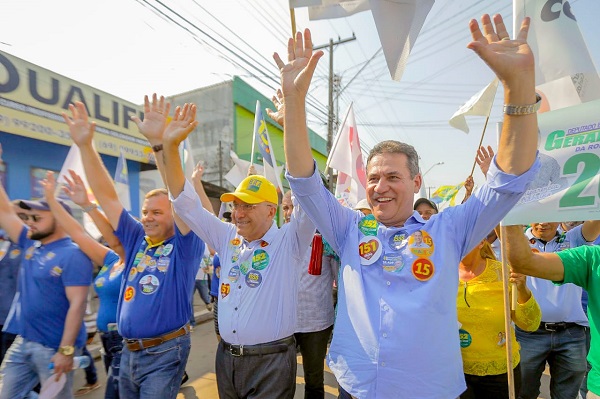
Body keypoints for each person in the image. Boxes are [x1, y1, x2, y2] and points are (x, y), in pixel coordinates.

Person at [275, 13, 541, 398]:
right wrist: (295, 102)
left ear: (416, 183)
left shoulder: (448, 230)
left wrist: (517, 88)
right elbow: (304, 183)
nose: (380, 187)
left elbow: (507, 182)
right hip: (357, 387)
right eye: (374, 178)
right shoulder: (349, 227)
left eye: (393, 177)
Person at [160, 102, 315, 398]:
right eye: (235, 205)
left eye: (248, 206)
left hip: (271, 360)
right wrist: (169, 147)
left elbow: (307, 187)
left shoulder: (290, 241)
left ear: (272, 211)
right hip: (227, 359)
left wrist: (293, 121)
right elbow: (185, 202)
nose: (238, 213)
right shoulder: (227, 237)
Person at [62, 96, 205, 399]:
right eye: (145, 211)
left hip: (166, 351)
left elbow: (179, 196)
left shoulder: (185, 245)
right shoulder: (137, 238)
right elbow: (108, 197)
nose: (147, 217)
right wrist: (87, 146)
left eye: (157, 212)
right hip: (128, 352)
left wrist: (161, 146)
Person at [0, 181, 92, 398]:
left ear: (60, 219)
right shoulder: (31, 243)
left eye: (37, 218)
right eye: (29, 217)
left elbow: (77, 305)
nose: (30, 222)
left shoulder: (74, 255)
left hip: (54, 349)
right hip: (23, 341)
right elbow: (4, 210)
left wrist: (66, 351)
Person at [42, 170, 124, 399]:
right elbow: (77, 233)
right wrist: (51, 200)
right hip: (106, 342)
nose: (111, 236)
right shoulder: (110, 258)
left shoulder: (141, 264)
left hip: (127, 342)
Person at [503, 226, 600, 398]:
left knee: (567, 395)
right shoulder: (516, 239)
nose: (542, 223)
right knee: (524, 392)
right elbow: (523, 260)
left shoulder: (574, 239)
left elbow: (595, 220)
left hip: (571, 332)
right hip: (529, 334)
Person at [457, 235, 541, 398]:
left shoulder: (504, 274)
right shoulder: (441, 275)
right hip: (456, 372)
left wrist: (522, 289)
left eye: (464, 239)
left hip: (501, 373)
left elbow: (530, 324)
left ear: (481, 242)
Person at [282, 191, 335, 399]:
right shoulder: (279, 237)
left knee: (313, 380)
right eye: (285, 208)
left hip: (317, 324)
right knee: (282, 379)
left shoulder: (327, 238)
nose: (289, 213)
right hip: (285, 324)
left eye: (293, 207)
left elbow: (340, 279)